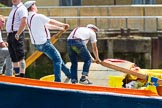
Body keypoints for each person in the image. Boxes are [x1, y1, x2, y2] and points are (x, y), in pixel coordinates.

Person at [24, 1, 71, 82]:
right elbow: (51, 21)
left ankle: (69, 74)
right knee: (57, 60)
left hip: (37, 45)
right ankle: (57, 81)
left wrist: (60, 29)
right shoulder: (38, 16)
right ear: (32, 7)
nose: (36, 6)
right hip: (45, 44)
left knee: (57, 59)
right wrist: (63, 25)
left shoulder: (28, 19)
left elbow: (46, 26)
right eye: (35, 5)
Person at [6, 0, 28, 77]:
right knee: (13, 57)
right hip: (11, 34)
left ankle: (22, 75)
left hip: (16, 33)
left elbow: (24, 21)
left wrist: (18, 33)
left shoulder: (22, 8)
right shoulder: (14, 8)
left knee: (20, 56)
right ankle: (17, 75)